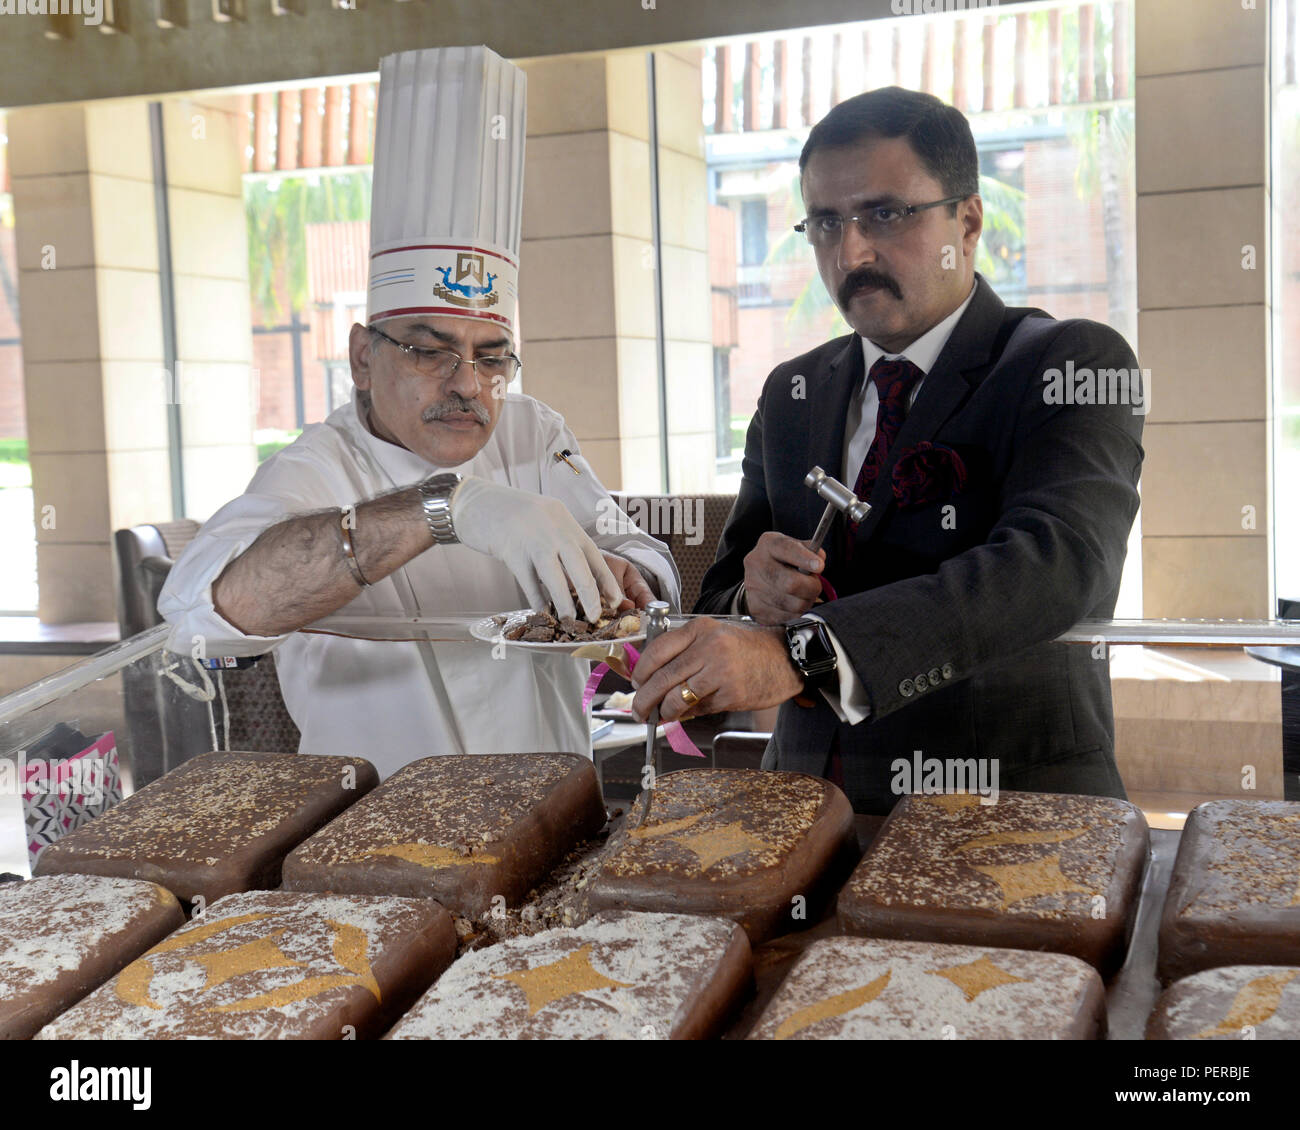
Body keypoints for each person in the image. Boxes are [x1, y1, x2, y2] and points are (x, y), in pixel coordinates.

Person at [159, 47, 679, 778]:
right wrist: (445, 509)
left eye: (493, 354)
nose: (469, 383)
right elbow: (201, 616)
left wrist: (627, 580)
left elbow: (647, 561)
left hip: (552, 808)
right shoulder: (315, 468)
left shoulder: (533, 431)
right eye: (429, 351)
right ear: (363, 358)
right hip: (377, 833)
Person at [629, 86, 1144, 814]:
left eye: (885, 214)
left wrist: (802, 654)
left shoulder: (1067, 363)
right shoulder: (791, 392)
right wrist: (757, 596)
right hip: (804, 816)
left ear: (967, 221)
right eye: (827, 222)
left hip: (1003, 817)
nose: (852, 251)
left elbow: (1059, 567)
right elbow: (723, 595)